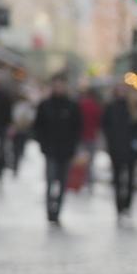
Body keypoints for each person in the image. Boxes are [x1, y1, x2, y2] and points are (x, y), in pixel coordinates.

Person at [33, 75, 83, 224]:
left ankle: (58, 210)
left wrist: (73, 147)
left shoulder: (72, 106)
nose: (59, 88)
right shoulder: (45, 105)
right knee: (50, 181)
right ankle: (49, 210)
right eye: (56, 85)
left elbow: (77, 128)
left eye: (61, 85)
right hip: (50, 150)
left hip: (66, 151)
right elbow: (38, 127)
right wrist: (43, 145)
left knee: (62, 183)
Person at [102, 84, 137, 220]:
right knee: (118, 179)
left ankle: (127, 205)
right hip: (116, 148)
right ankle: (119, 206)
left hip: (130, 149)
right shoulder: (111, 107)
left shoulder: (134, 107)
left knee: (130, 179)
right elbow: (105, 126)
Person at [77, 85, 103, 193]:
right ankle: (89, 181)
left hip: (81, 137)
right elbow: (99, 122)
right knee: (90, 162)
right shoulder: (97, 107)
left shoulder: (81, 105)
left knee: (80, 160)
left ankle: (80, 180)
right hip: (92, 137)